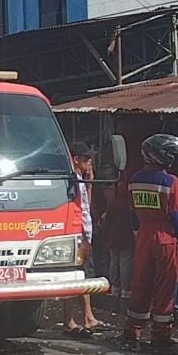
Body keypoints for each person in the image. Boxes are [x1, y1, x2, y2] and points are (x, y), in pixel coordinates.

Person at [123, 134, 178, 349]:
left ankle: (133, 329)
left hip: (143, 236)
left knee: (140, 283)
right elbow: (177, 215)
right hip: (165, 239)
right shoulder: (171, 182)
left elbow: (132, 213)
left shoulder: (134, 180)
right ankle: (161, 334)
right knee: (165, 285)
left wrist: (137, 234)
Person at [64, 143, 100, 337]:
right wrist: (83, 237)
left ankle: (88, 316)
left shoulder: (79, 180)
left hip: (85, 231)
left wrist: (90, 182)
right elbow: (75, 211)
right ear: (76, 159)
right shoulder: (71, 180)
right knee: (75, 276)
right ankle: (70, 319)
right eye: (86, 159)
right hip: (79, 235)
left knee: (82, 276)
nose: (90, 163)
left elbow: (86, 205)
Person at [104, 178, 134, 310]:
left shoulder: (113, 203)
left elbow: (107, 220)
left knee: (114, 263)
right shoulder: (130, 204)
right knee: (124, 264)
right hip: (126, 238)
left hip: (113, 237)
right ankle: (126, 290)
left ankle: (115, 288)